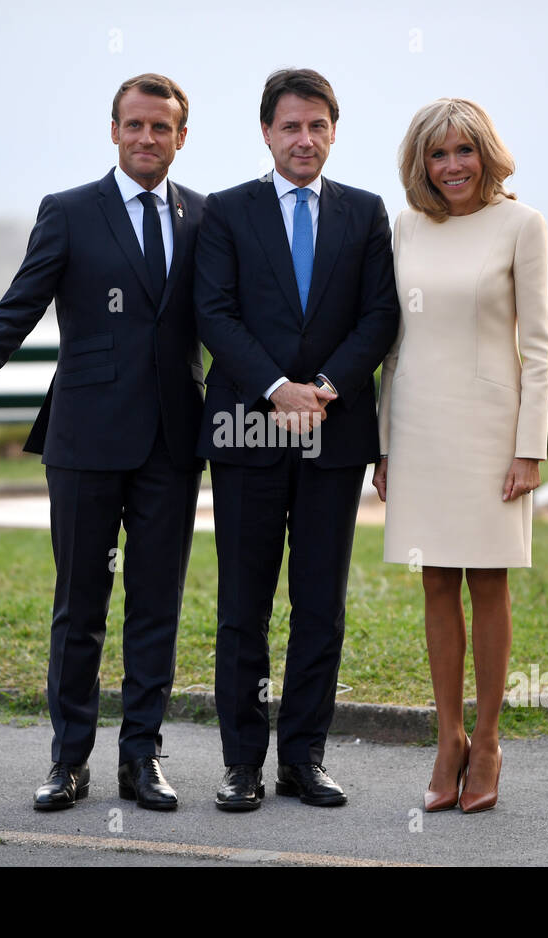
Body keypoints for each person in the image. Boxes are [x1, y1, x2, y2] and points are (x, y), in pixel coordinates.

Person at [0, 74, 206, 812]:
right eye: (135, 125)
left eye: (162, 128)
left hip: (172, 442)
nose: (147, 138)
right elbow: (23, 299)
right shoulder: (69, 212)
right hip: (85, 438)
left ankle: (142, 760)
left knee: (157, 604)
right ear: (114, 131)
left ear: (182, 137)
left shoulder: (202, 217)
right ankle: (68, 762)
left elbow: (222, 316)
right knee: (79, 606)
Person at [195, 68, 400, 812]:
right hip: (248, 430)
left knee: (320, 604)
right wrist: (277, 389)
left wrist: (325, 388)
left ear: (334, 131)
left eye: (317, 126)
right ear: (266, 132)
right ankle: (242, 763)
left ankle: (304, 760)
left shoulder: (367, 212)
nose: (304, 139)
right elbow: (214, 314)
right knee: (242, 607)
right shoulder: (226, 212)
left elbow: (379, 317)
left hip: (334, 434)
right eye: (291, 126)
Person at [372, 97, 548, 813]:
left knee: (489, 584)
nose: (452, 166)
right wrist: (383, 446)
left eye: (463, 151)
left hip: (490, 428)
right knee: (435, 582)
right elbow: (391, 345)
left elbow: (536, 347)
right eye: (438, 154)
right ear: (422, 163)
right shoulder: (406, 225)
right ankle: (446, 739)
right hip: (418, 425)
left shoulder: (522, 224)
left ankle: (488, 740)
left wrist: (528, 448)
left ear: (486, 154)